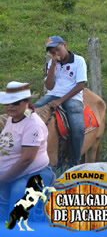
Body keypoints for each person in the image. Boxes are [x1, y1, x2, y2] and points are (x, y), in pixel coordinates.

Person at [0, 82, 54, 217]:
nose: (10, 106)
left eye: (15, 102)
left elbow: (26, 159)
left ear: (26, 102)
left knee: (18, 196)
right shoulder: (13, 118)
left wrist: (3, 179)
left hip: (31, 173)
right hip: (9, 172)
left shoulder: (33, 125)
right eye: (7, 103)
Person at [35, 36, 86, 166]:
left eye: (58, 50)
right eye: (52, 52)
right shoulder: (52, 63)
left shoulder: (79, 60)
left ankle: (75, 159)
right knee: (31, 112)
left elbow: (80, 85)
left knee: (78, 128)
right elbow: (49, 86)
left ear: (65, 45)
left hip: (73, 97)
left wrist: (60, 101)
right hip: (52, 94)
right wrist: (52, 66)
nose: (56, 54)